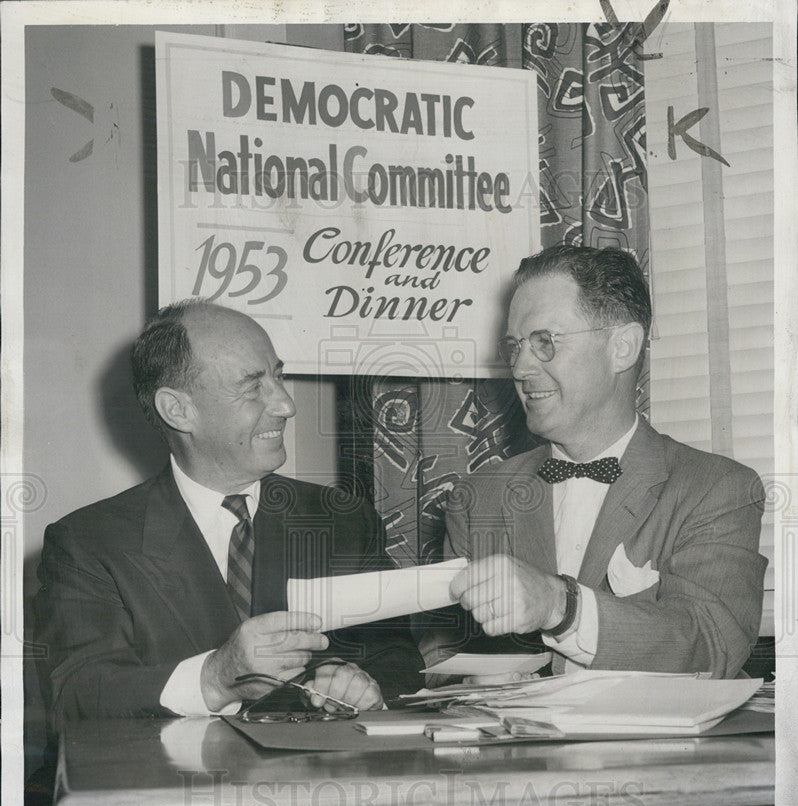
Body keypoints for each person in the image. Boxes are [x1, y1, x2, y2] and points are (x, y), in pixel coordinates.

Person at [33, 300, 424, 728]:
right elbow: (75, 694)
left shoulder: (344, 520)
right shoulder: (89, 543)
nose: (286, 405)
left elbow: (397, 660)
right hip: (179, 790)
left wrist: (360, 684)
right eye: (253, 386)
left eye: (278, 375)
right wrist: (216, 678)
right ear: (178, 410)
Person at [436, 244, 766, 677]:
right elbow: (440, 662)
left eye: (544, 343)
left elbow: (711, 645)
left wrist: (561, 605)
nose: (519, 368)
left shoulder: (717, 488)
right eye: (514, 346)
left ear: (623, 348)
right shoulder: (476, 500)